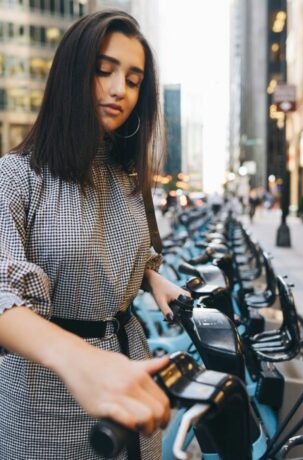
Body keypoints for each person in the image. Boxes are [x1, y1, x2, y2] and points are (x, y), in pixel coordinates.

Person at [0, 10, 188, 460]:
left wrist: (152, 278)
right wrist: (79, 360)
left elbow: (122, 250)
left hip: (131, 371)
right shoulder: (16, 176)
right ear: (70, 75)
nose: (120, 89)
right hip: (45, 396)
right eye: (104, 71)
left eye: (134, 79)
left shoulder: (127, 175)